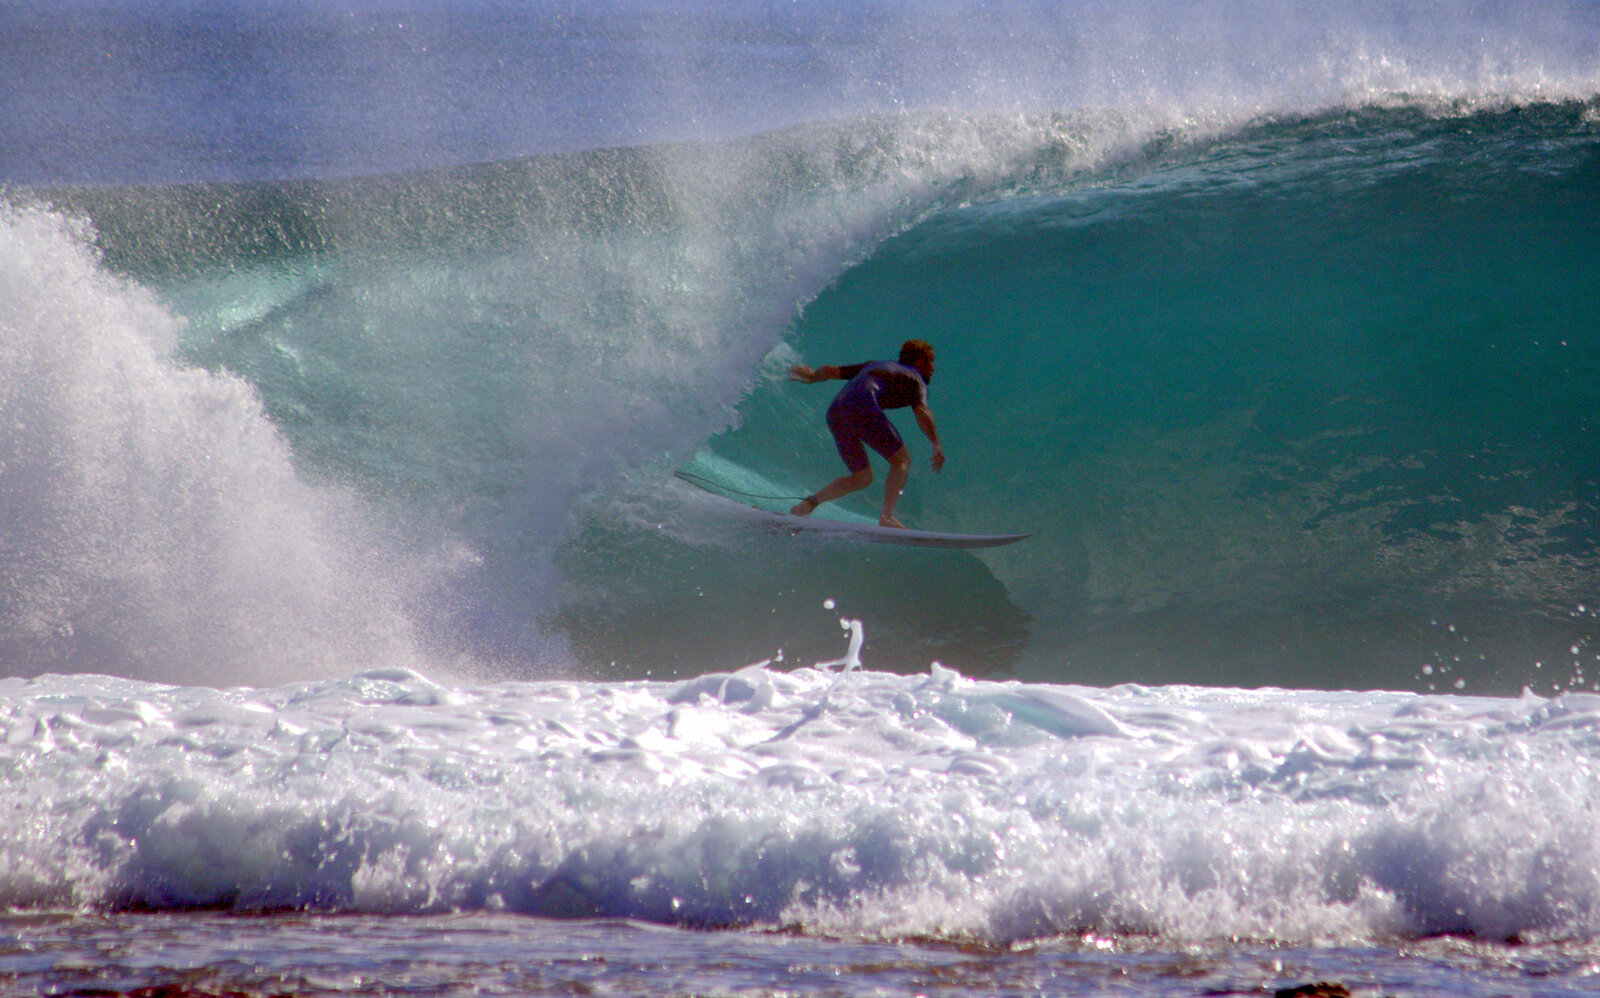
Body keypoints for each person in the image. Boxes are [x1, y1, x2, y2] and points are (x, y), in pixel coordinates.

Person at [787, 339, 945, 529]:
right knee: (902, 460)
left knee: (862, 477)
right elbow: (922, 412)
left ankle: (805, 505)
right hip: (863, 404)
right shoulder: (915, 378)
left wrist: (812, 377)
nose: (933, 368)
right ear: (920, 361)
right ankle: (887, 517)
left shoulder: (874, 365)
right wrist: (936, 444)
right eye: (931, 361)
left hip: (836, 410)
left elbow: (830, 371)